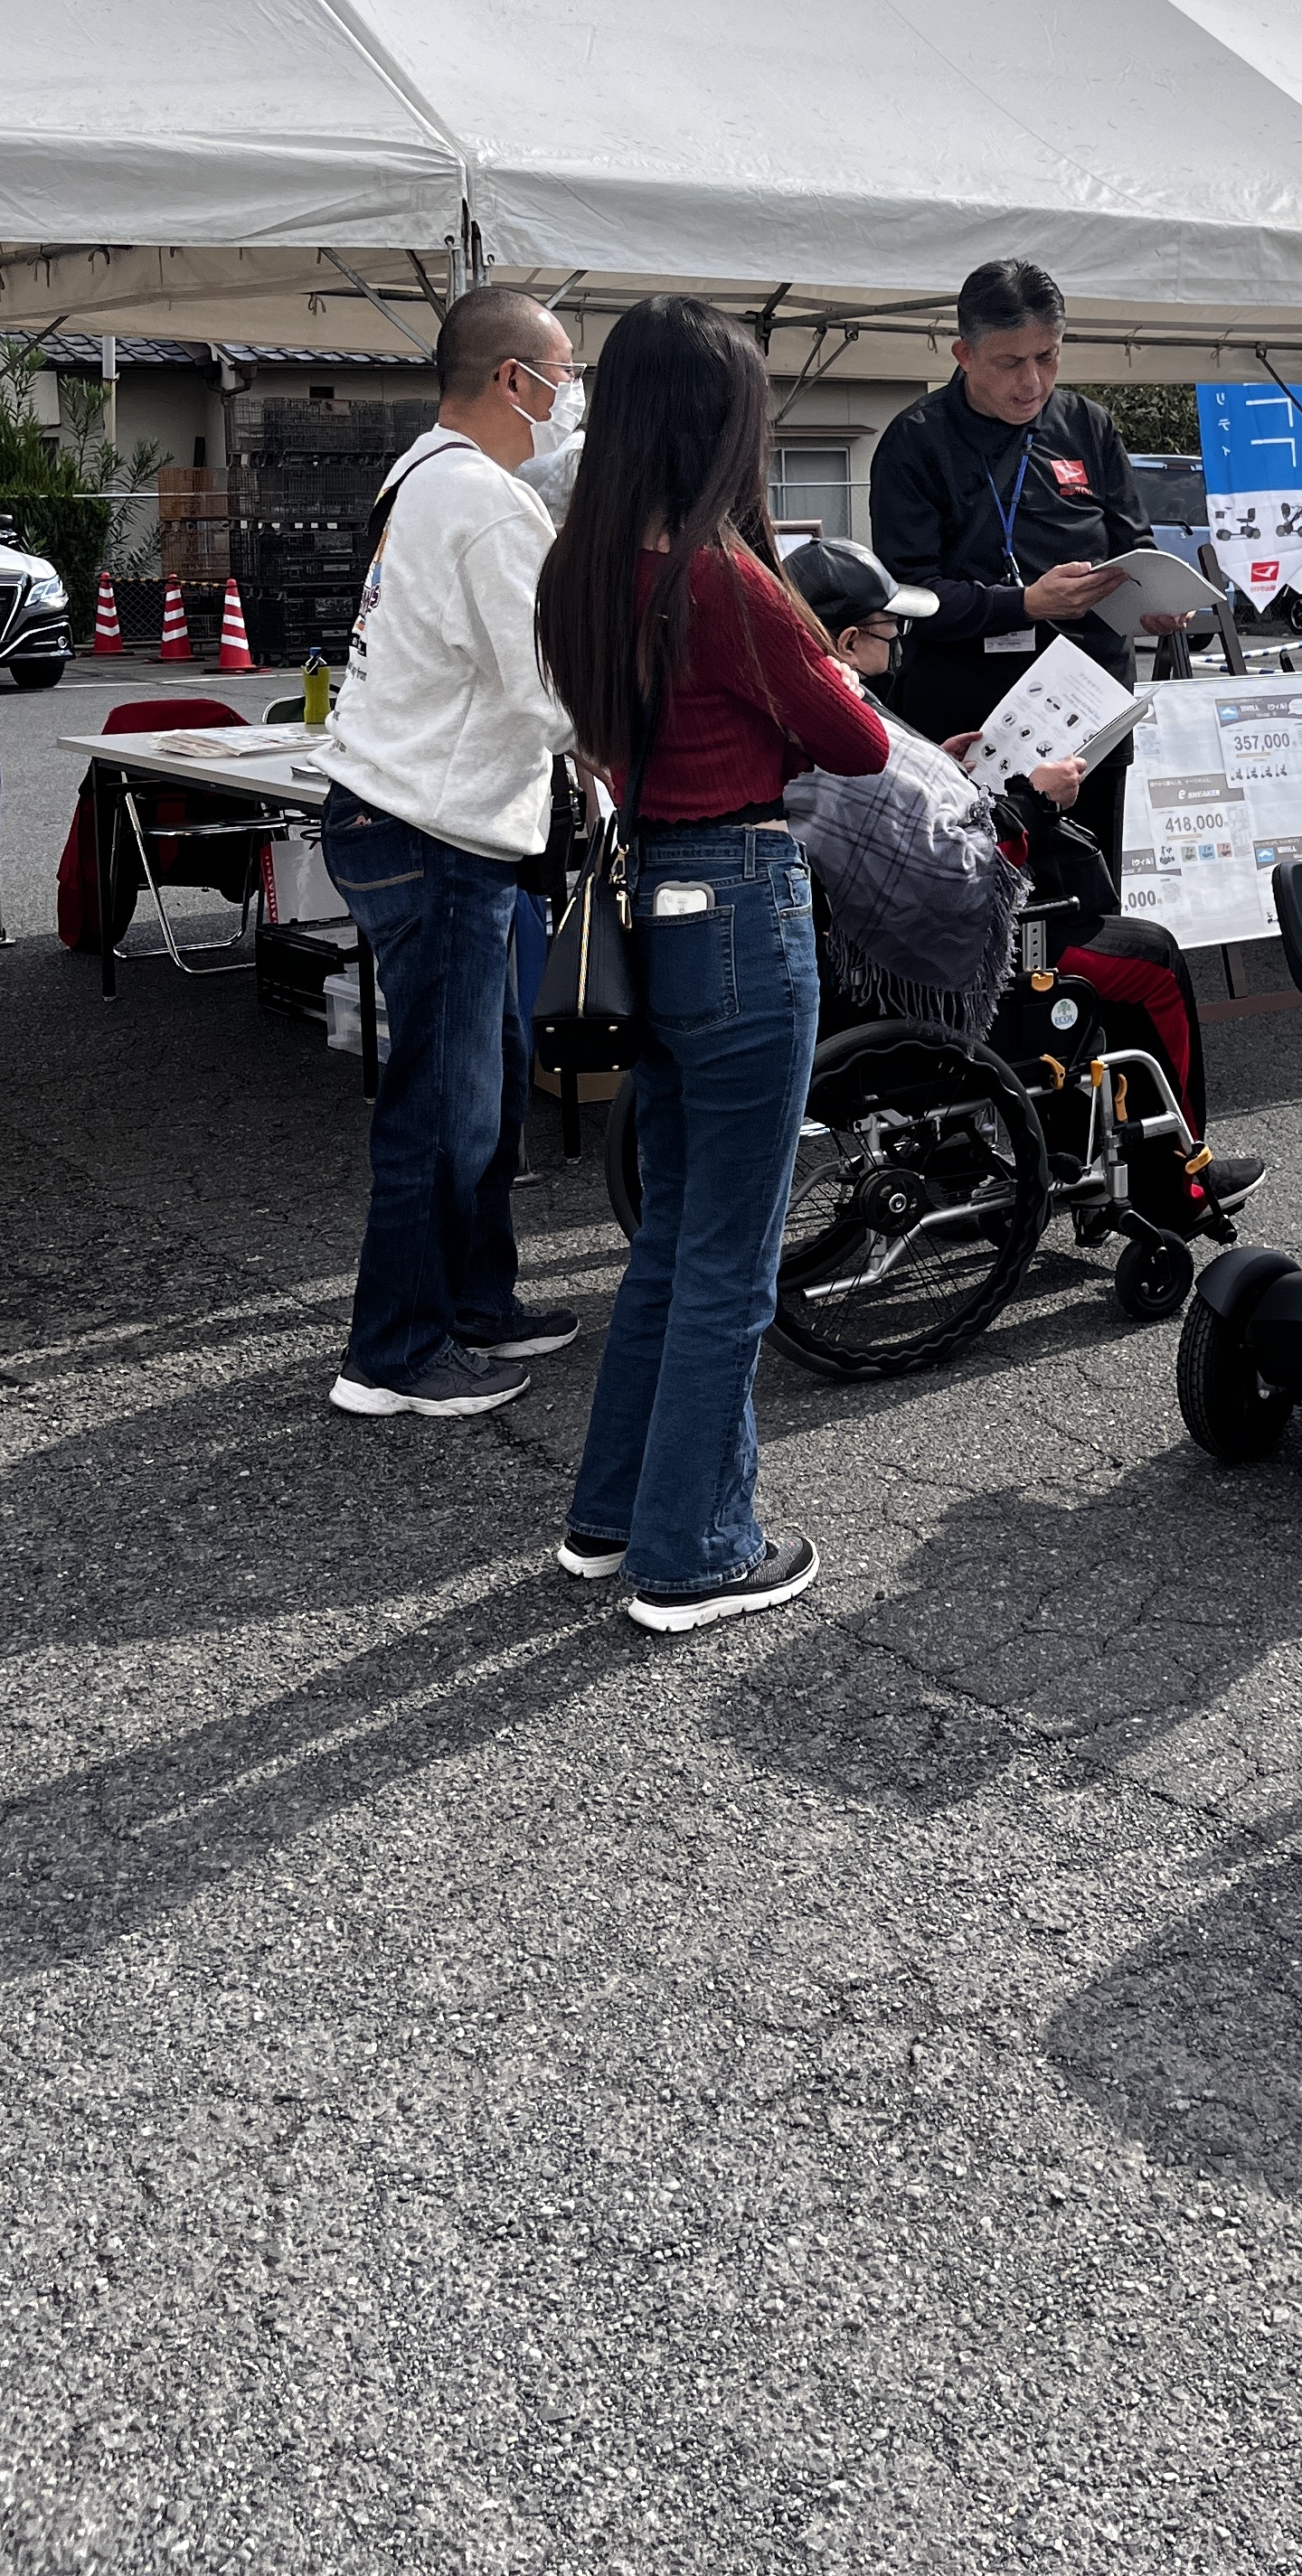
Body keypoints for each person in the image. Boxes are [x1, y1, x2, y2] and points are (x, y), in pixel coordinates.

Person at [536, 295, 890, 1634]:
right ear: (719, 423)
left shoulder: (580, 564)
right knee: (733, 1252)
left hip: (655, 898)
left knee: (677, 1234)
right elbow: (853, 743)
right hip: (744, 902)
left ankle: (614, 1513)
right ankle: (695, 1551)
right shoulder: (724, 576)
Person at [786, 537, 1264, 1225]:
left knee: (1091, 946)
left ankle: (1081, 1152)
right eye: (894, 627)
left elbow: (897, 826)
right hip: (935, 958)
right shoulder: (845, 720)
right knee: (1151, 957)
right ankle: (1175, 1181)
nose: (902, 639)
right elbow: (940, 863)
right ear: (851, 637)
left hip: (867, 950)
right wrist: (1035, 803)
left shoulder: (813, 698)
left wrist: (944, 769)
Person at [319, 287, 585, 1418]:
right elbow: (550, 694)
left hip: (406, 817)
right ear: (512, 380)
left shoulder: (423, 475)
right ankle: (393, 1355)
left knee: (482, 1081)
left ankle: (477, 1300)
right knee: (444, 1103)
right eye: (562, 376)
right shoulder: (484, 506)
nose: (572, 398)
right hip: (438, 835)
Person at [867, 256, 1178, 843]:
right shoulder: (917, 440)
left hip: (1089, 719)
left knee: (1089, 901)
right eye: (1011, 362)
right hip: (971, 727)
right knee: (976, 904)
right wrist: (1024, 605)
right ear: (964, 355)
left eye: (1048, 356)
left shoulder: (1089, 425)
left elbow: (1130, 542)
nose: (1032, 381)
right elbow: (906, 595)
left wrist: (1153, 601)